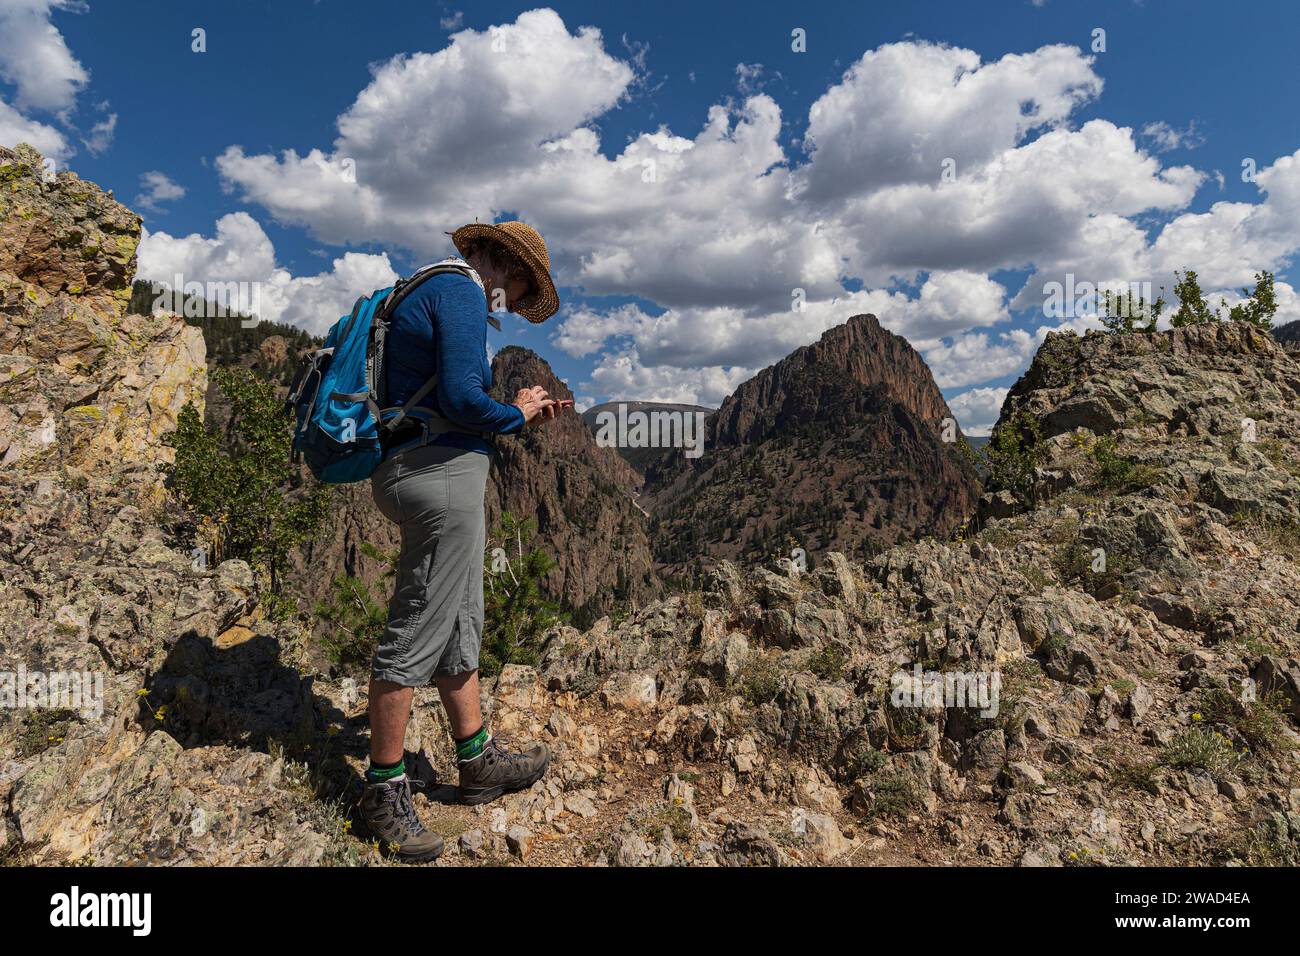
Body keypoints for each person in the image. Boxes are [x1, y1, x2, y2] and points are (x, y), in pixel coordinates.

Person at [356, 221, 567, 861]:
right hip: (440, 476)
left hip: (423, 469)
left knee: (457, 619)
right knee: (418, 624)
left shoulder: (432, 288)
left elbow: (445, 391)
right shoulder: (462, 291)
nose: (514, 300)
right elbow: (461, 396)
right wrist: (519, 413)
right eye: (521, 286)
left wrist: (508, 408)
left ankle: (475, 759)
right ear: (502, 262)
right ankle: (384, 787)